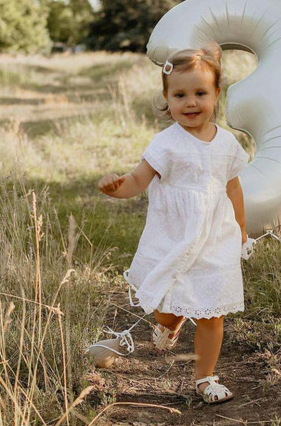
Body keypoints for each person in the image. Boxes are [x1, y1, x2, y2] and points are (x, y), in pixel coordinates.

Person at [98, 43, 249, 405]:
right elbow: (138, 180)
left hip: (215, 240)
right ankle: (171, 322)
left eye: (200, 93)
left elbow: (233, 188)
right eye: (180, 94)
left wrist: (241, 232)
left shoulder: (227, 143)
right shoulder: (165, 144)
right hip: (174, 236)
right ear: (167, 99)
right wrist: (117, 188)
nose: (191, 102)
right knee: (166, 306)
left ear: (216, 95)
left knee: (212, 313)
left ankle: (205, 378)